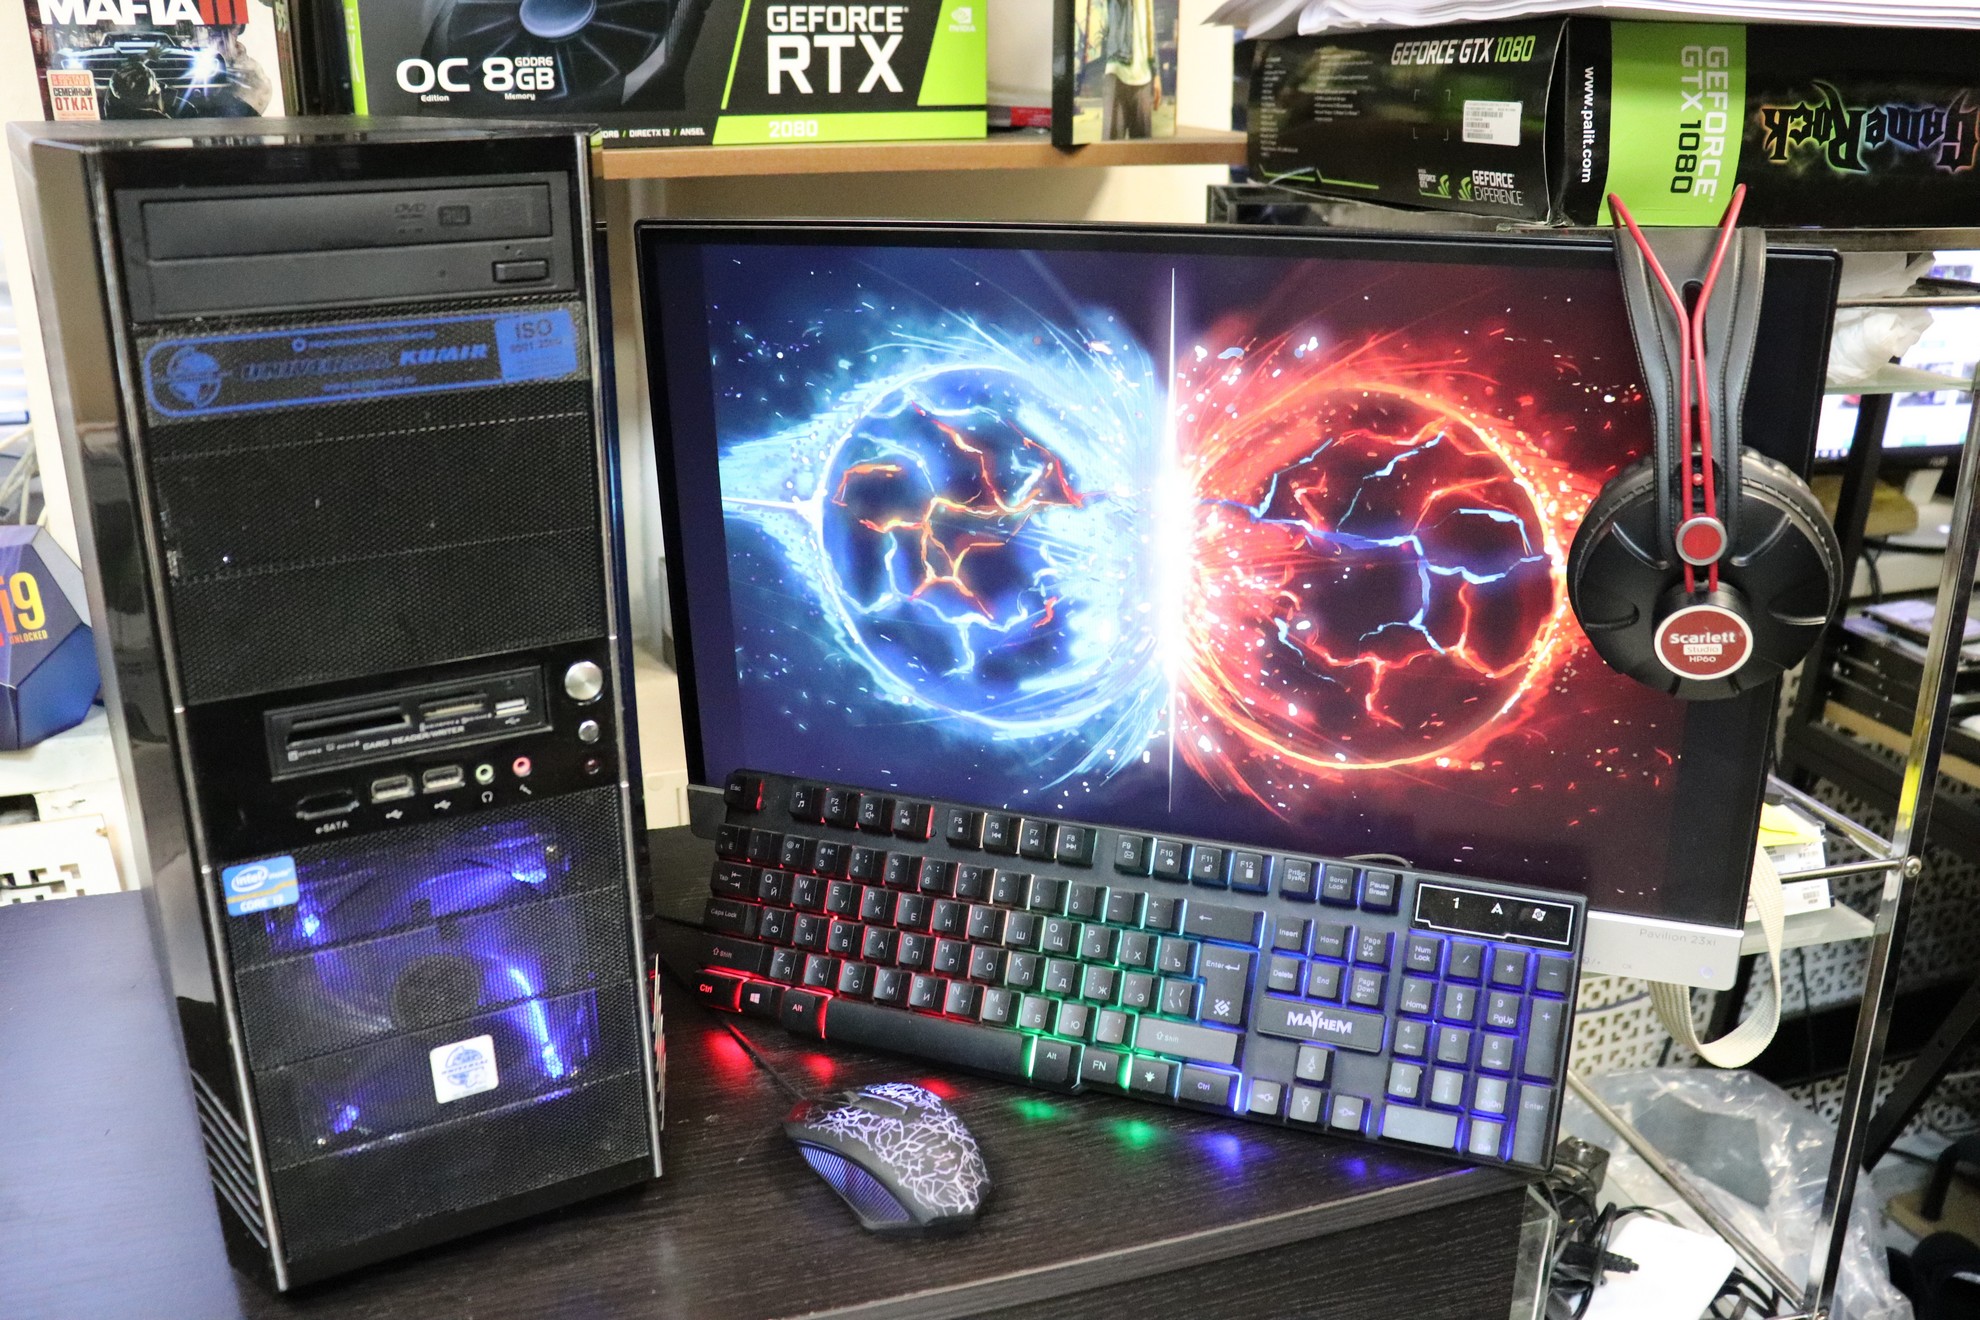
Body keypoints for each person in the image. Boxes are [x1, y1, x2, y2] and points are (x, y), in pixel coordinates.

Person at [1083, 0, 1161, 140]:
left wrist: (1156, 74)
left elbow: (1151, 31)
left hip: (1144, 78)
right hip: (1117, 73)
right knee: (1112, 148)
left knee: (1143, 150)